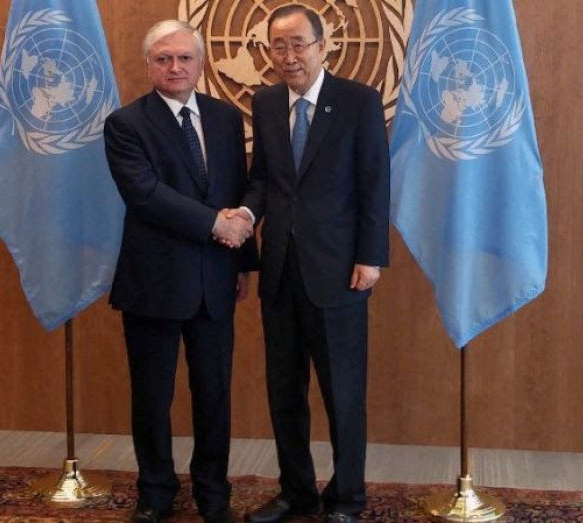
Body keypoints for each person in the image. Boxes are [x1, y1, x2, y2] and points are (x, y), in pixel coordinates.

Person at [230, 5, 390, 523]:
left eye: (299, 44)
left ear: (324, 46)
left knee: (342, 392)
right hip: (281, 269)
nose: (289, 56)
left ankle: (347, 497)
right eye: (278, 46)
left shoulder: (358, 102)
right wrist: (245, 215)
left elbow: (375, 182)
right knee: (284, 390)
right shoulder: (266, 102)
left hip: (340, 270)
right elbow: (263, 179)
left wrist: (371, 255)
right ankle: (296, 492)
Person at [103, 20, 258, 523]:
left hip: (216, 279)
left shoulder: (225, 118)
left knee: (213, 394)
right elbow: (145, 194)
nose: (175, 67)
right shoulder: (126, 124)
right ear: (148, 65)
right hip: (154, 282)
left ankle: (214, 493)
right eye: (164, 58)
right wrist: (216, 224)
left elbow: (237, 187)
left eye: (185, 58)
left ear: (201, 64)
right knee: (152, 396)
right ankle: (155, 493)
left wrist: (242, 261)